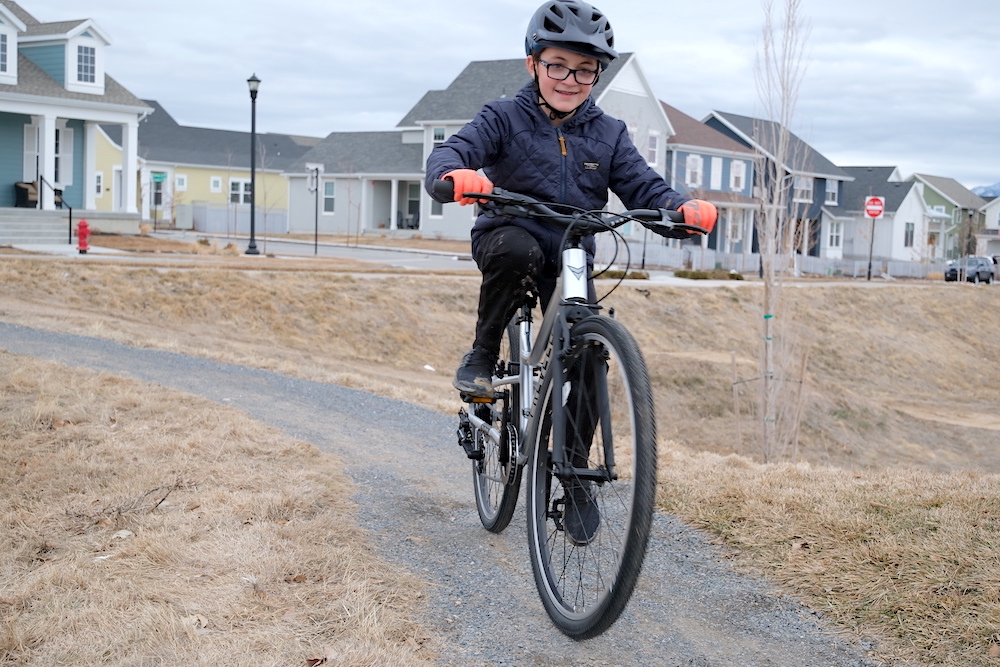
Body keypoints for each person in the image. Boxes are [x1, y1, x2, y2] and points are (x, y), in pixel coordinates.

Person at [427, 0, 717, 403]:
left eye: (585, 69)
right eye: (557, 65)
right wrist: (453, 174)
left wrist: (680, 209)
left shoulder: (609, 133)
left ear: (597, 74)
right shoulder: (503, 117)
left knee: (589, 354)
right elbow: (452, 151)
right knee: (517, 250)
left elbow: (643, 185)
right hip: (508, 235)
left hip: (572, 250)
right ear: (533, 65)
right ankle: (483, 354)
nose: (570, 79)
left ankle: (575, 465)